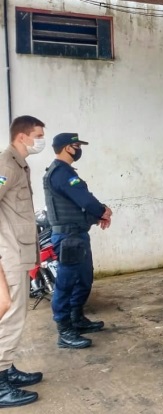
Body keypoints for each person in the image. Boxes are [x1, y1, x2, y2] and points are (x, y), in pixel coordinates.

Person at [43, 133, 112, 349]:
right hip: (68, 237)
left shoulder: (66, 172)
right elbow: (84, 199)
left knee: (84, 278)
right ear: (67, 148)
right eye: (76, 145)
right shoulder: (61, 173)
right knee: (65, 284)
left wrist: (97, 215)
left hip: (77, 235)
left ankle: (76, 318)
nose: (79, 149)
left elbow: (78, 203)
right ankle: (64, 332)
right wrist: (103, 211)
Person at [0, 115, 46, 408]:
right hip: (9, 254)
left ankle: (6, 368)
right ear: (22, 136)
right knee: (10, 317)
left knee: (17, 316)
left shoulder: (19, 164)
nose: (41, 140)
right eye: (38, 135)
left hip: (19, 251)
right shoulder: (6, 165)